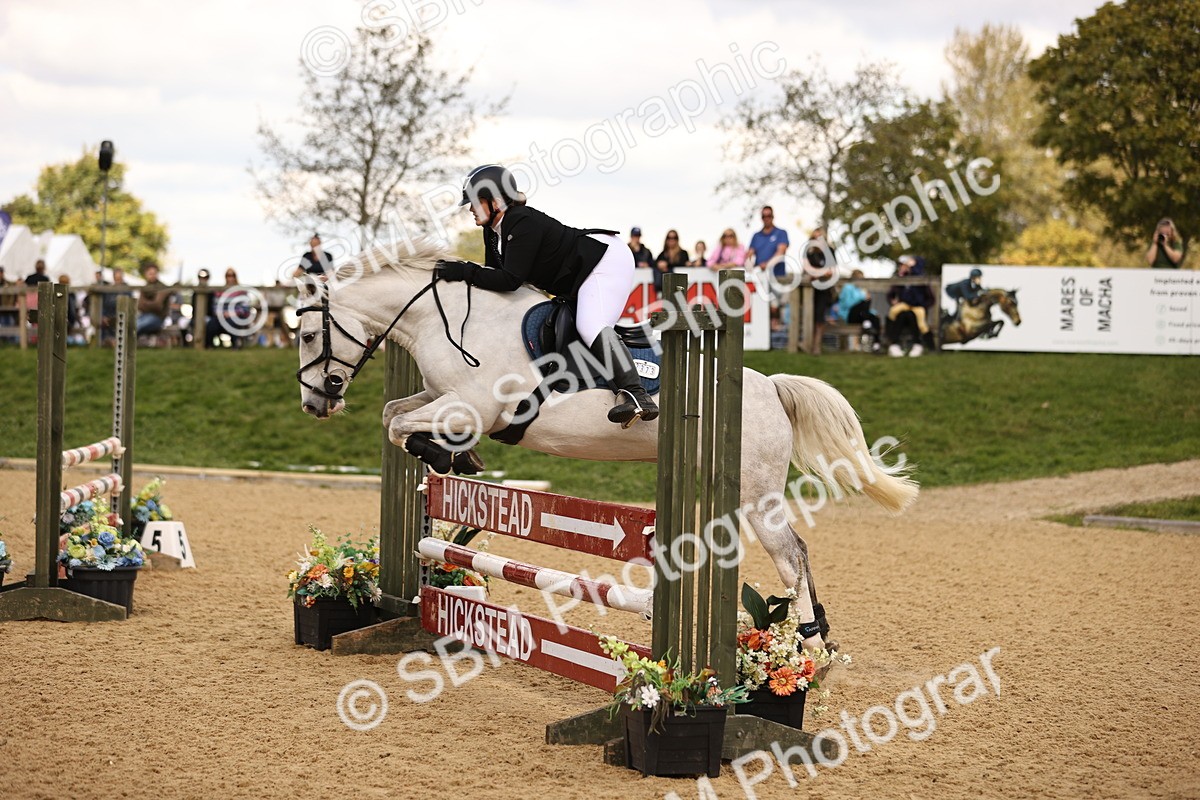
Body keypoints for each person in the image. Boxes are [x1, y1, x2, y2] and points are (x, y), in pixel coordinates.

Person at [435, 164, 658, 426]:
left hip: (604, 261)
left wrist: (463, 271)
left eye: (474, 202)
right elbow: (492, 277)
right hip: (579, 273)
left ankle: (636, 394)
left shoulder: (521, 221)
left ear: (495, 202)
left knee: (590, 325)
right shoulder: (493, 231)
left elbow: (510, 280)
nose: (470, 208)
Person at [885, 255, 935, 357]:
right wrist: (893, 300)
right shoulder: (902, 277)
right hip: (904, 305)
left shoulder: (920, 276)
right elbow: (891, 293)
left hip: (917, 306)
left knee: (921, 324)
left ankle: (929, 346)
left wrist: (923, 305)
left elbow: (931, 298)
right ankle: (890, 341)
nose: (907, 264)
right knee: (894, 312)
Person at [748, 207, 789, 327]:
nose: (766, 218)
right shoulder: (756, 236)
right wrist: (749, 265)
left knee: (775, 306)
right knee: (762, 307)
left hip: (776, 276)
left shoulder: (781, 233)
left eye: (769, 215)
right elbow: (749, 254)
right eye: (764, 216)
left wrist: (767, 264)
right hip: (760, 278)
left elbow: (781, 251)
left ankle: (776, 333)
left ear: (773, 216)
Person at [804, 228, 837, 355]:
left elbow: (831, 271)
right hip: (810, 291)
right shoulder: (809, 253)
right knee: (810, 316)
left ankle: (816, 345)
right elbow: (807, 269)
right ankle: (809, 344)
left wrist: (816, 273)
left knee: (819, 317)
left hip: (824, 289)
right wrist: (821, 272)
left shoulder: (830, 252)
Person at [836, 269, 881, 352]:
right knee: (866, 300)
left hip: (862, 315)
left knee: (875, 318)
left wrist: (874, 313)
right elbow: (847, 304)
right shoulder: (847, 288)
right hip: (850, 315)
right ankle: (866, 323)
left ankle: (876, 344)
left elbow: (865, 309)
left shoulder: (861, 290)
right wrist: (862, 297)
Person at [136, 263, 172, 336]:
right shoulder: (145, 287)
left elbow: (157, 305)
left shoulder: (162, 287)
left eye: (154, 273)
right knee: (132, 325)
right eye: (150, 273)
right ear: (146, 274)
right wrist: (150, 304)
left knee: (138, 325)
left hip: (158, 318)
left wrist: (145, 303)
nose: (152, 275)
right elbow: (139, 305)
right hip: (143, 316)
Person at [655, 230, 689, 295]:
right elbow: (655, 263)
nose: (672, 240)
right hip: (666, 287)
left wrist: (667, 265)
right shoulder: (662, 254)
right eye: (669, 238)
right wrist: (659, 265)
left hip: (680, 286)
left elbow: (682, 264)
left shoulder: (683, 253)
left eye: (674, 238)